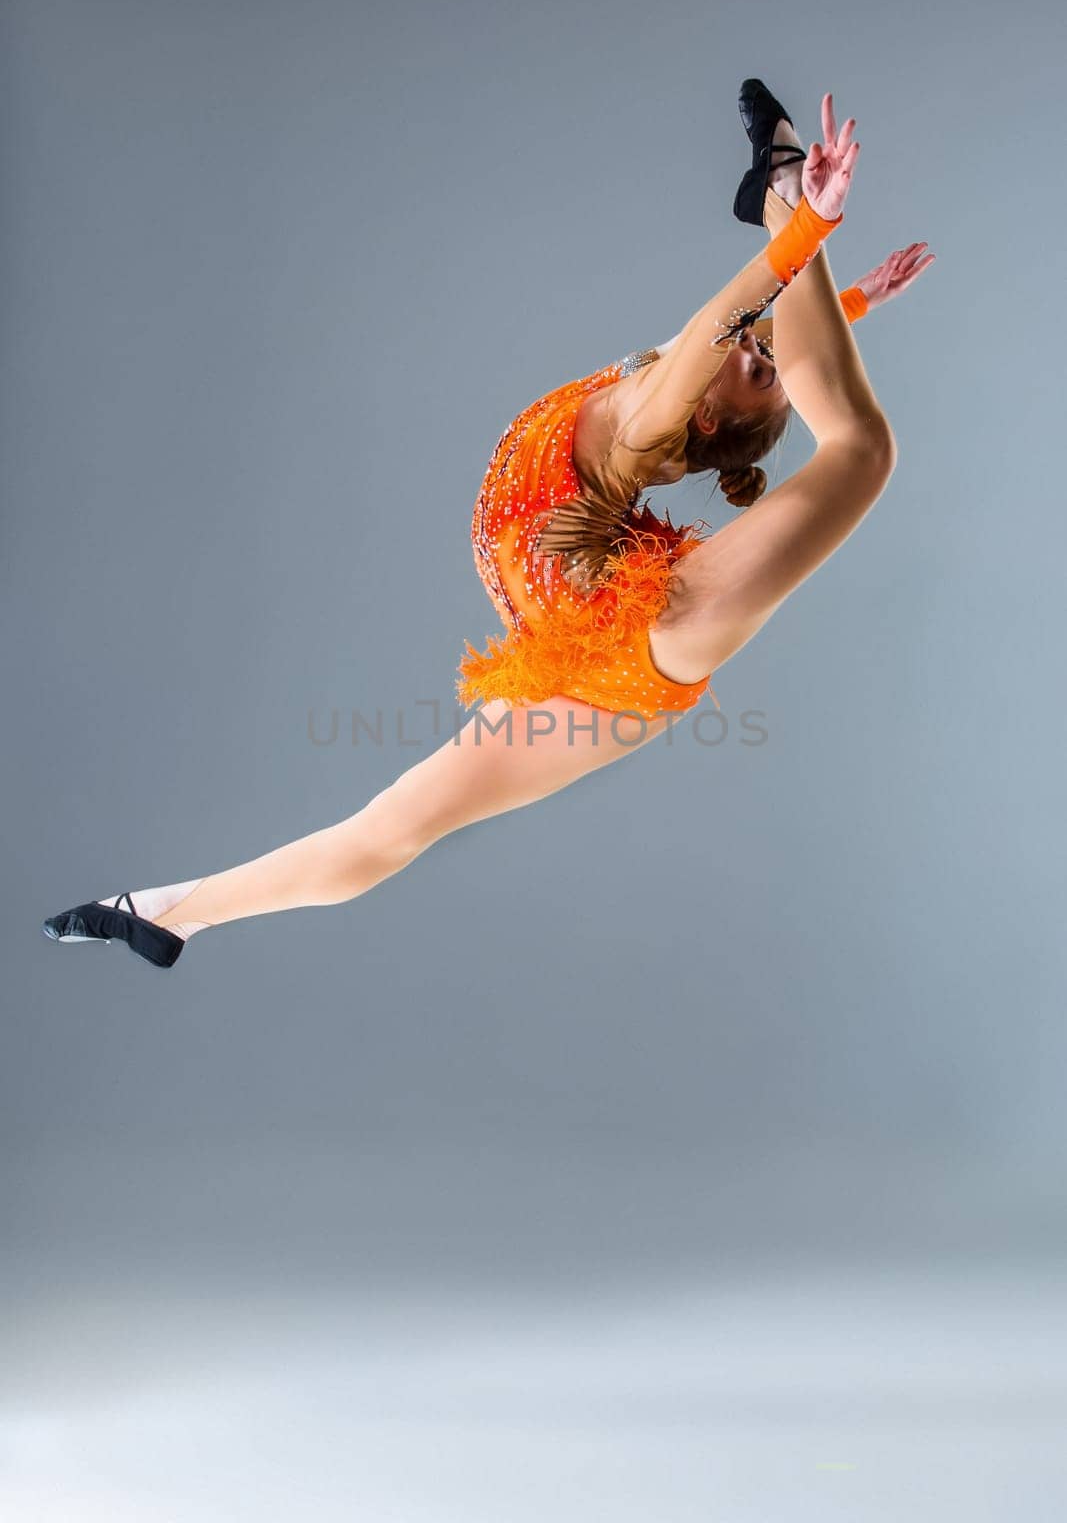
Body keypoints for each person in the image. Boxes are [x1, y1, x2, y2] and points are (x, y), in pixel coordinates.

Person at [42, 82, 933, 969]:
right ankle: (164, 913)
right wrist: (846, 301)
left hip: (641, 634)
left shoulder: (653, 420)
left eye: (759, 366)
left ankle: (775, 182)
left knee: (858, 448)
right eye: (762, 349)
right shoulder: (655, 382)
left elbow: (720, 325)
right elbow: (733, 332)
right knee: (389, 827)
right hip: (562, 644)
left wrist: (800, 219)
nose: (757, 346)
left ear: (706, 419)